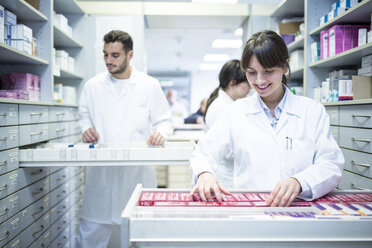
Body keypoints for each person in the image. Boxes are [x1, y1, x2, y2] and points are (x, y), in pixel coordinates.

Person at [190, 30, 344, 207]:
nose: (259, 81)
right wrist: (204, 174)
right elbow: (202, 153)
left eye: (268, 71)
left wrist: (300, 181)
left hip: (300, 209)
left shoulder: (312, 111)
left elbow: (331, 163)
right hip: (250, 210)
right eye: (251, 72)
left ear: (285, 66)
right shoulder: (235, 113)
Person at [77, 30, 172, 247]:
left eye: (115, 55)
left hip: (136, 176)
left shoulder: (149, 85)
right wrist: (86, 129)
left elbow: (165, 121)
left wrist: (160, 133)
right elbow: (83, 118)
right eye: (105, 55)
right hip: (100, 180)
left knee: (141, 238)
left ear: (130, 55)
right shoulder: (92, 86)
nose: (108, 61)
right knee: (89, 239)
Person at [201, 59, 250, 188]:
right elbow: (226, 149)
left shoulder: (228, 104)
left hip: (229, 174)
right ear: (232, 82)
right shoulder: (221, 107)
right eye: (246, 83)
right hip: (225, 177)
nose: (250, 87)